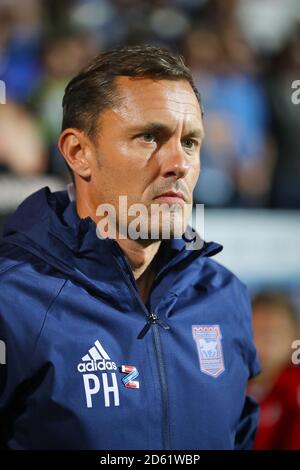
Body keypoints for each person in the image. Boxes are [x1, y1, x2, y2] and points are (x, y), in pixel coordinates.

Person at [0, 44, 260, 450]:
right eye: (149, 137)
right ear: (78, 152)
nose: (178, 163)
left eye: (190, 142)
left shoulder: (226, 298)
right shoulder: (11, 300)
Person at [249, 292, 300, 449]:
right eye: (260, 330)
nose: (268, 338)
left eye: (277, 331)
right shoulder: (225, 390)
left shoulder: (294, 388)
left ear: (295, 336)